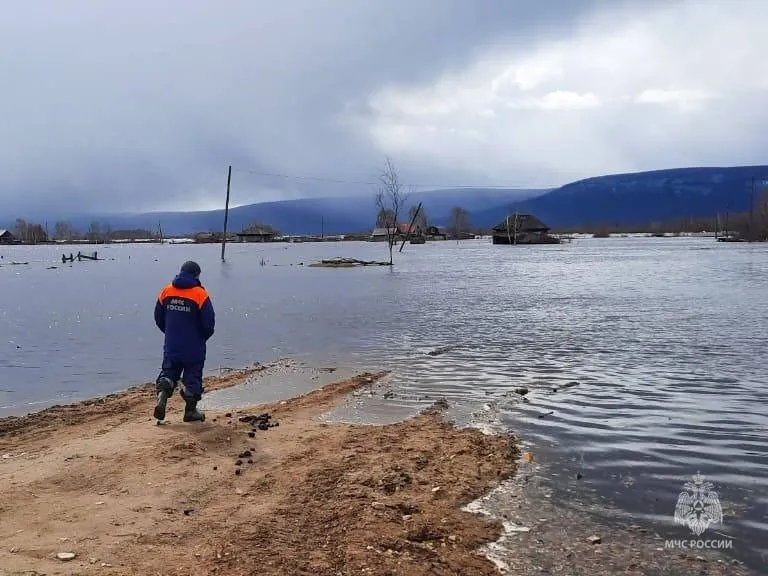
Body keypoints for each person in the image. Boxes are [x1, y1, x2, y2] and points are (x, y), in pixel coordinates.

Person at [153, 260, 215, 422]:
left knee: (169, 372)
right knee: (193, 377)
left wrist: (169, 333)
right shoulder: (200, 294)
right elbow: (209, 323)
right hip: (194, 346)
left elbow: (158, 317)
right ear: (196, 275)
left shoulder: (166, 291)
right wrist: (202, 338)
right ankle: (190, 411)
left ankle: (162, 395)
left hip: (172, 344)